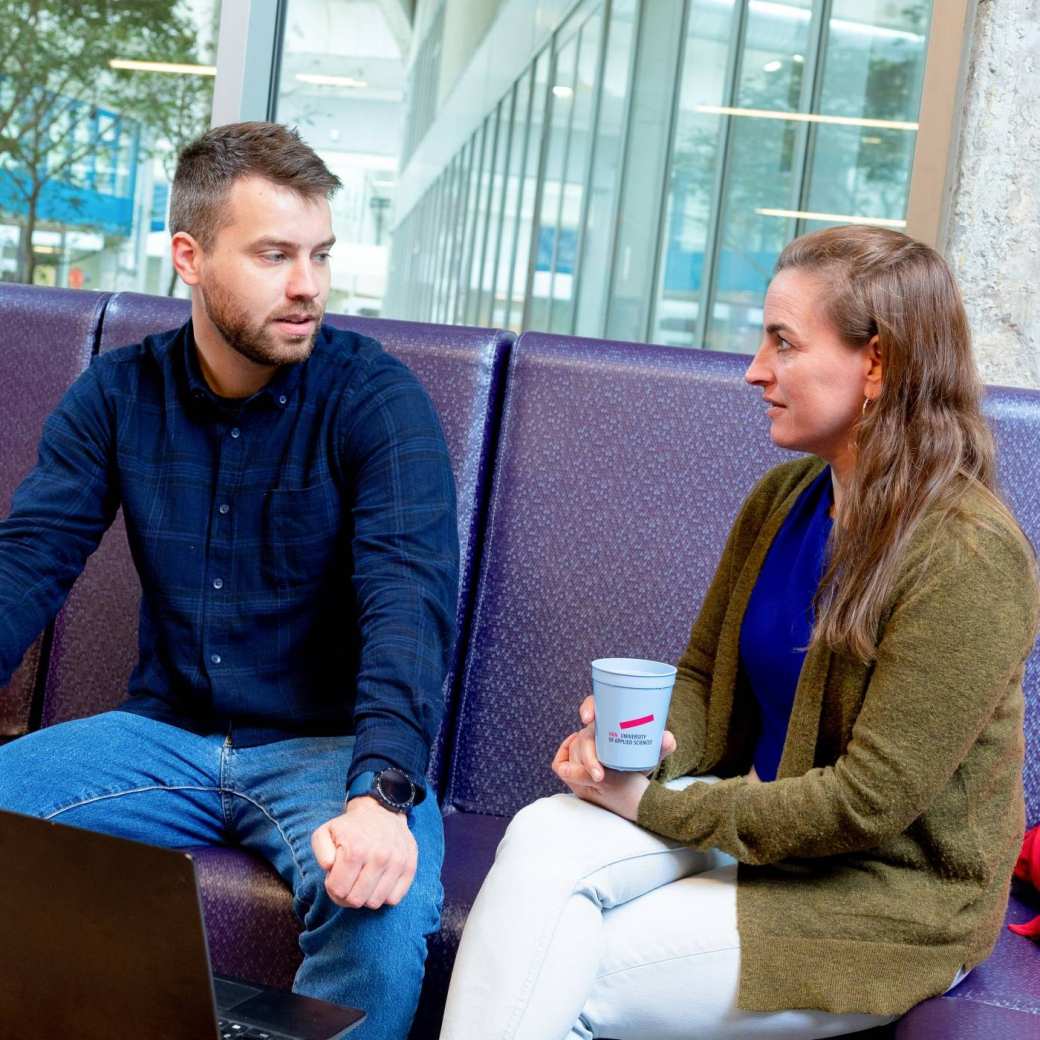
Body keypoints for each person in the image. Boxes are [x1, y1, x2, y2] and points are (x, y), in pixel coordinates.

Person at [439, 225, 1040, 1040]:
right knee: (543, 831)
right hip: (765, 831)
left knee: (559, 976)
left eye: (784, 343)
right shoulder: (784, 498)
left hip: (887, 892)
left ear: (878, 364)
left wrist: (654, 806)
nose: (756, 369)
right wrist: (644, 745)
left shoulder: (969, 554)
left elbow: (867, 806)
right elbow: (702, 680)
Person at [0, 121, 459, 1040]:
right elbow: (27, 563)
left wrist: (379, 798)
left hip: (328, 751)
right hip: (161, 736)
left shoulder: (377, 400)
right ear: (190, 257)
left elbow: (408, 607)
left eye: (321, 254)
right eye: (275, 254)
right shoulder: (116, 394)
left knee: (382, 911)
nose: (309, 285)